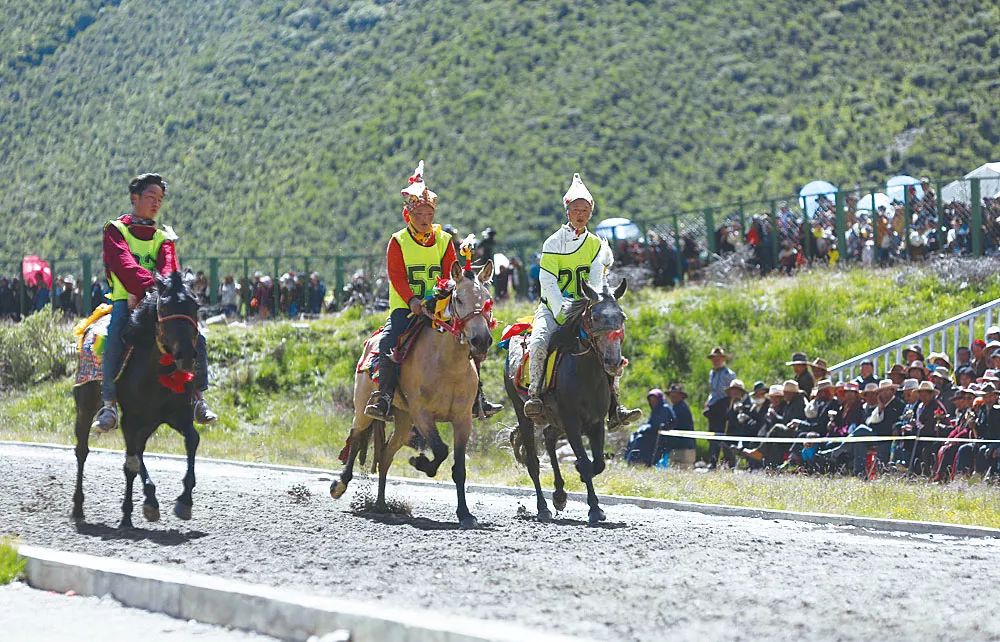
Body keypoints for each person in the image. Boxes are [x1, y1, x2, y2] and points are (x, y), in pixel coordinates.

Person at [364, 161, 501, 421]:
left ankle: (477, 397)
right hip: (407, 306)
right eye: (419, 216)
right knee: (388, 340)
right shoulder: (398, 241)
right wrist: (413, 300)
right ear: (409, 216)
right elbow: (397, 275)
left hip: (439, 305)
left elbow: (452, 271)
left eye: (429, 215)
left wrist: (439, 297)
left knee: (472, 336)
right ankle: (384, 396)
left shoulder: (444, 240)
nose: (425, 220)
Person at [90, 173, 217, 434]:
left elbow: (170, 269)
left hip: (158, 301)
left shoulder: (163, 238)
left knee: (197, 336)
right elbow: (124, 265)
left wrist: (154, 293)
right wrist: (150, 287)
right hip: (127, 300)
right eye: (151, 197)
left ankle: (198, 398)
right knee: (114, 335)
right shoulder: (116, 230)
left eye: (160, 199)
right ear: (134, 198)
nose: (156, 203)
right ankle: (109, 403)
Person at [522, 173, 640, 429]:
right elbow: (549, 282)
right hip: (554, 308)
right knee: (540, 342)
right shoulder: (552, 242)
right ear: (567, 212)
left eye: (585, 210)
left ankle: (615, 406)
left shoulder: (595, 244)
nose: (580, 214)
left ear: (590, 213)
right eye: (575, 209)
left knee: (610, 340)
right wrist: (561, 310)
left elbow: (596, 280)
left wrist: (596, 304)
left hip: (586, 309)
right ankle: (535, 395)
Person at [704, 346, 736, 469]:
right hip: (713, 406)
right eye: (713, 358)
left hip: (723, 405)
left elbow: (732, 392)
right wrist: (708, 401)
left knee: (721, 435)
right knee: (712, 435)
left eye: (718, 358)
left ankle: (726, 461)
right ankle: (712, 461)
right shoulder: (712, 373)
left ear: (723, 359)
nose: (715, 360)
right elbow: (712, 390)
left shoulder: (729, 374)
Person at [665, 383, 696, 469]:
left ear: (681, 395)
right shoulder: (675, 407)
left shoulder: (681, 408)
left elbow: (674, 424)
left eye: (675, 394)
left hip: (684, 447)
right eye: (671, 394)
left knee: (684, 472)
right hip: (678, 447)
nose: (673, 396)